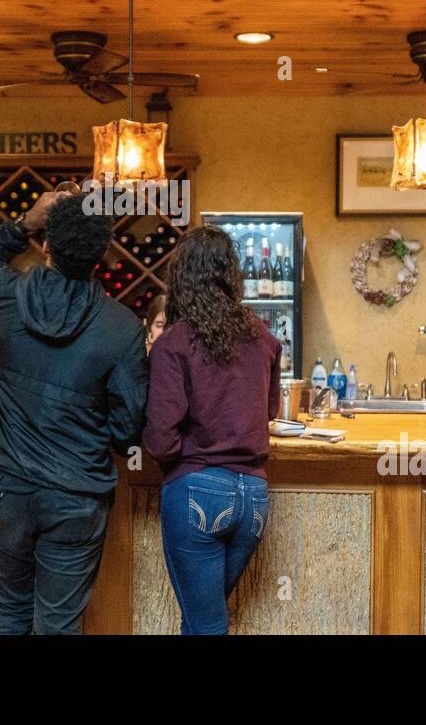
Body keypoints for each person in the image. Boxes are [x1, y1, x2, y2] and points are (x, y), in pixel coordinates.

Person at [0, 191, 148, 635]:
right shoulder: (122, 327)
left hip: (9, 489)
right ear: (104, 253)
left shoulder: (3, 296)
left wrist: (24, 222)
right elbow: (129, 429)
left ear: (45, 244)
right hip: (77, 497)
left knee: (8, 612)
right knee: (59, 625)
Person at [143, 225, 282, 635]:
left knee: (205, 625)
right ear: (232, 274)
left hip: (197, 491)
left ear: (181, 277)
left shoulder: (173, 344)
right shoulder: (263, 338)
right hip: (253, 498)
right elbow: (268, 411)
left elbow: (159, 440)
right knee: (205, 621)